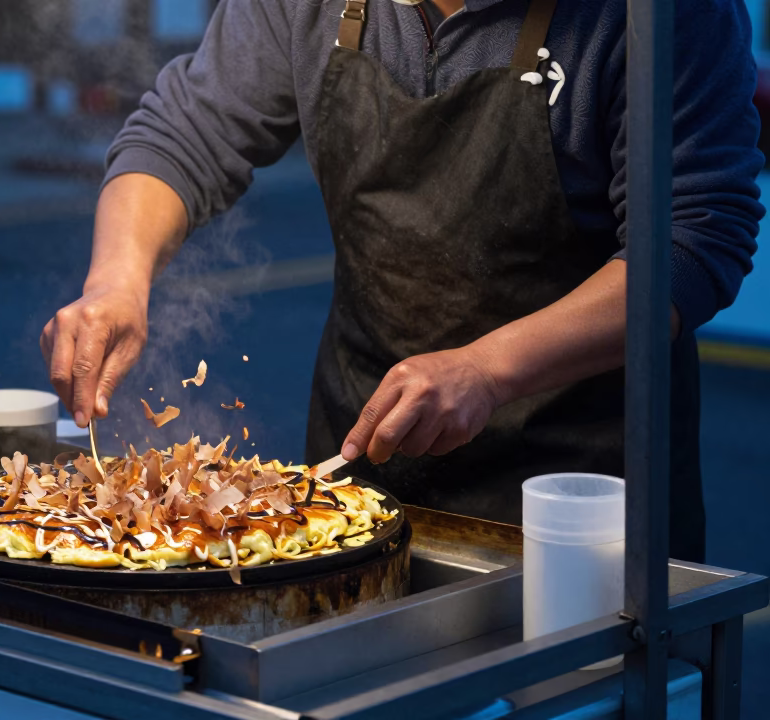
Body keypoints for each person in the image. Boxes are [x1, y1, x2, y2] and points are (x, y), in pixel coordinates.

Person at [40, 0, 763, 562]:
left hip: (582, 501)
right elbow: (186, 131)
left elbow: (690, 241)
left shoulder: (664, 17)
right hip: (361, 468)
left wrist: (487, 368)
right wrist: (117, 281)